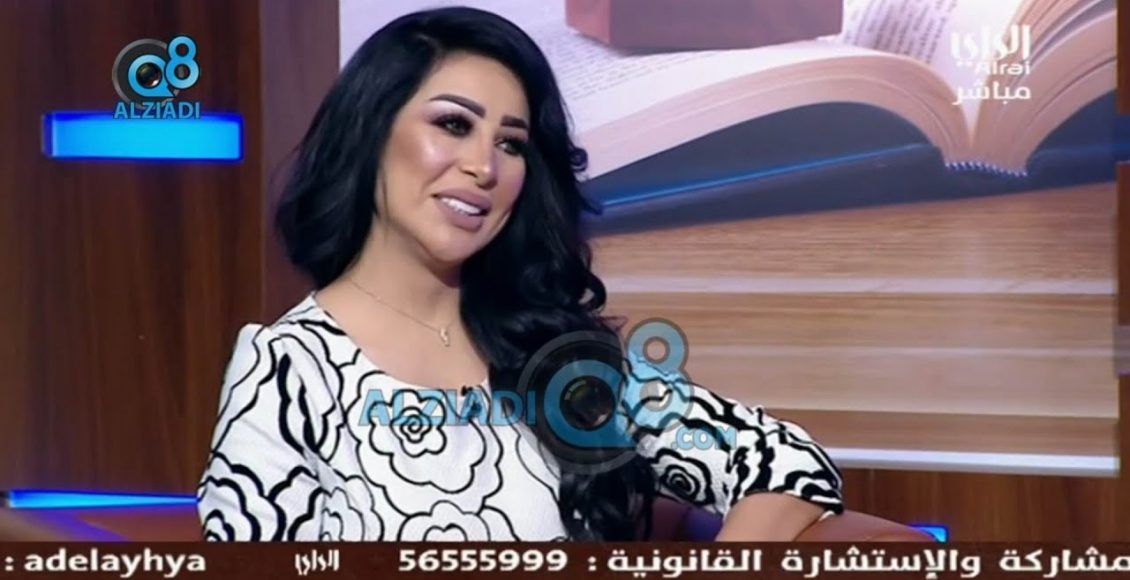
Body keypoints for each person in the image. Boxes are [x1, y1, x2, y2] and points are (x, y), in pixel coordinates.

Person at [195, 6, 843, 542]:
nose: (485, 167)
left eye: (510, 143)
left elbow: (788, 464)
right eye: (453, 124)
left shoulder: (554, 354)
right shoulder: (285, 371)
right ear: (370, 132)